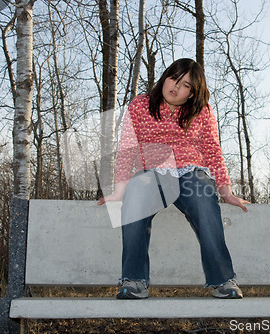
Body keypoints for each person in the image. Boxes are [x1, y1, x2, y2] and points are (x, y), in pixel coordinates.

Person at [98, 58, 249, 299]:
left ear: (192, 94)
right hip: (152, 173)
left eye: (186, 85)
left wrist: (225, 190)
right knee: (135, 197)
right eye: (174, 78)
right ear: (165, 77)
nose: (176, 87)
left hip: (191, 171)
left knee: (203, 201)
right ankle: (134, 280)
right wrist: (120, 189)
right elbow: (127, 147)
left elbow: (212, 150)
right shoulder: (140, 105)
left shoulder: (202, 111)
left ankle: (222, 280)